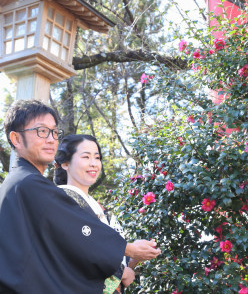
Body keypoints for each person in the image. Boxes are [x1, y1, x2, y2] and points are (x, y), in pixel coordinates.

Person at [0, 99, 161, 293]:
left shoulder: (24, 183)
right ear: (16, 139)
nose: (51, 139)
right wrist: (128, 253)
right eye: (41, 131)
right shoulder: (29, 184)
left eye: (54, 132)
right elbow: (76, 239)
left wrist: (130, 258)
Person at [54, 134, 137, 294]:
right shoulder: (60, 200)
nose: (93, 164)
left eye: (97, 157)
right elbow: (72, 254)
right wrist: (121, 272)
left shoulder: (97, 207)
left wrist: (135, 258)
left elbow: (115, 259)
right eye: (85, 157)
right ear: (65, 163)